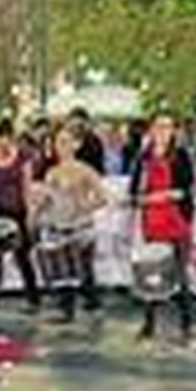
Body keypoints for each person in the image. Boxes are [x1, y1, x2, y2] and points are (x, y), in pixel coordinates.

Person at [128, 113, 196, 341]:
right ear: (151, 129)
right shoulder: (143, 158)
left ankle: (186, 325)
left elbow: (186, 190)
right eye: (159, 126)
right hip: (151, 222)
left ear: (174, 131)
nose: (163, 131)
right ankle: (149, 325)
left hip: (176, 220)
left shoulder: (181, 156)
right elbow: (134, 193)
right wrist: (149, 199)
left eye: (168, 127)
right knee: (150, 272)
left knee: (180, 274)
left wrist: (163, 196)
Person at [38, 122, 110, 322]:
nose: (61, 147)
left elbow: (103, 198)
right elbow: (48, 200)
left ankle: (92, 305)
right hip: (59, 225)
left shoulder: (85, 170)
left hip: (81, 227)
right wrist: (38, 209)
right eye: (57, 142)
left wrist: (85, 206)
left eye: (65, 142)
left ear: (76, 145)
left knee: (84, 270)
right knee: (63, 271)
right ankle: (67, 310)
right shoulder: (52, 172)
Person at [0, 120, 41, 314]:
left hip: (15, 209)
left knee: (22, 256)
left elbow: (27, 186)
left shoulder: (23, 157)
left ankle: (33, 299)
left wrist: (29, 212)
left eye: (0, 137)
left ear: (9, 137)